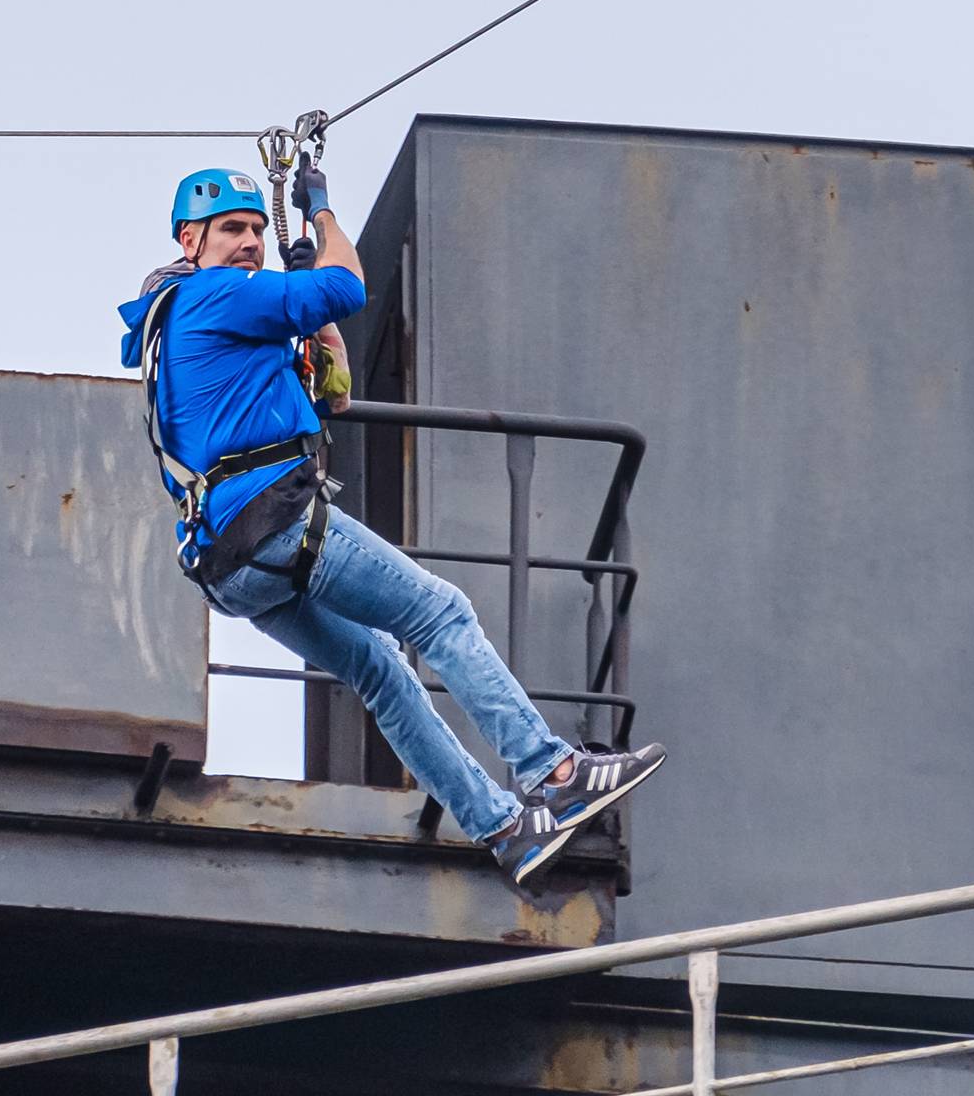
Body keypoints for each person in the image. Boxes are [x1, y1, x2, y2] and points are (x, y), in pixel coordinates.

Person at [118, 163, 666, 885]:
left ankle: (506, 830)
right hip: (276, 522)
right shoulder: (219, 293)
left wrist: (305, 293)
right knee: (440, 613)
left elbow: (333, 393)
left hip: (228, 565)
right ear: (191, 239)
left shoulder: (176, 320)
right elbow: (349, 287)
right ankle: (555, 768)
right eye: (232, 230)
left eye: (256, 228)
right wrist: (321, 215)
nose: (250, 242)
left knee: (379, 670)